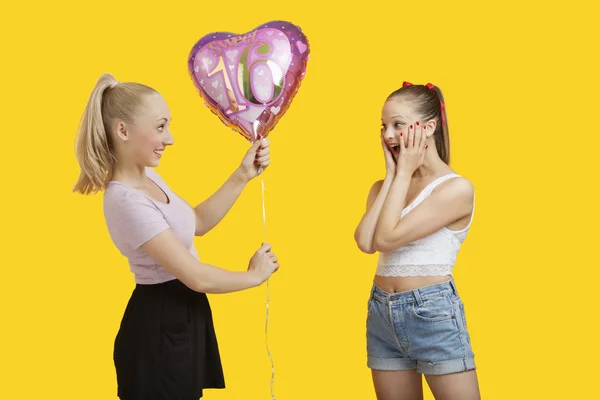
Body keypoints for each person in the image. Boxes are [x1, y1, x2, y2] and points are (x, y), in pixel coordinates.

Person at [72, 73, 280, 400]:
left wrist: (243, 175)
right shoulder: (125, 200)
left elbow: (195, 221)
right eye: (160, 127)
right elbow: (196, 276)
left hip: (183, 317)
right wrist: (253, 277)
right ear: (123, 131)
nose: (169, 139)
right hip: (159, 326)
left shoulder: (149, 177)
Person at [354, 82, 480, 400]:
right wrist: (395, 176)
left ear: (429, 127)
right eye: (384, 126)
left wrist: (402, 173)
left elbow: (386, 238)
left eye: (398, 124)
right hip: (381, 312)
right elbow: (365, 243)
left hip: (432, 314)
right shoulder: (382, 186)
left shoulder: (456, 189)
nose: (388, 135)